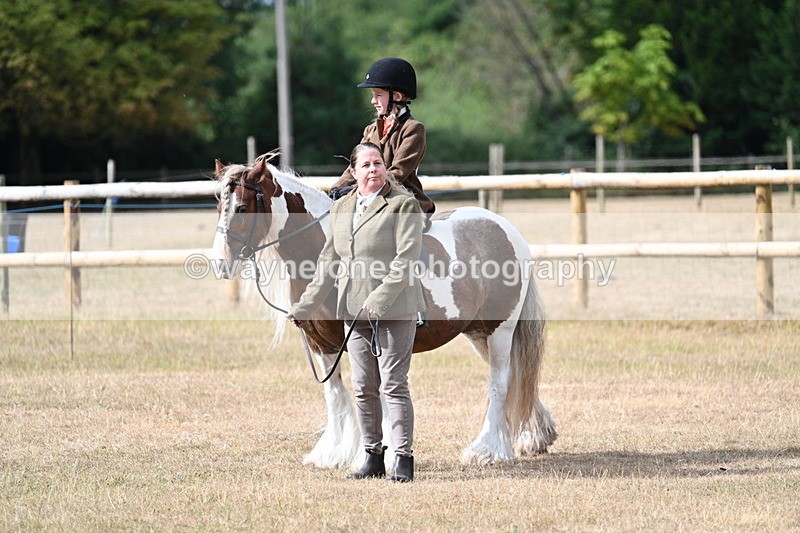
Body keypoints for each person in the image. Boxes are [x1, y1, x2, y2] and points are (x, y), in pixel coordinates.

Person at [286, 142, 425, 482]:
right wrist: (303, 306)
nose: (373, 169)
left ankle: (403, 459)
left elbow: (406, 260)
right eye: (366, 165)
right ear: (355, 171)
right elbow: (327, 262)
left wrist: (379, 299)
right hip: (353, 310)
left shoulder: (402, 205)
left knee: (393, 384)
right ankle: (373, 456)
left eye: (378, 163)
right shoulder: (343, 208)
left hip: (395, 308)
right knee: (363, 385)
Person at [328, 57, 435, 225]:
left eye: (378, 95)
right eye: (373, 95)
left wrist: (358, 190)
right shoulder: (370, 130)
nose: (373, 101)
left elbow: (398, 173)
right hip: (370, 197)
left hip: (403, 200)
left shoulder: (413, 129)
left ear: (397, 96)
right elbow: (354, 167)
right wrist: (336, 189)